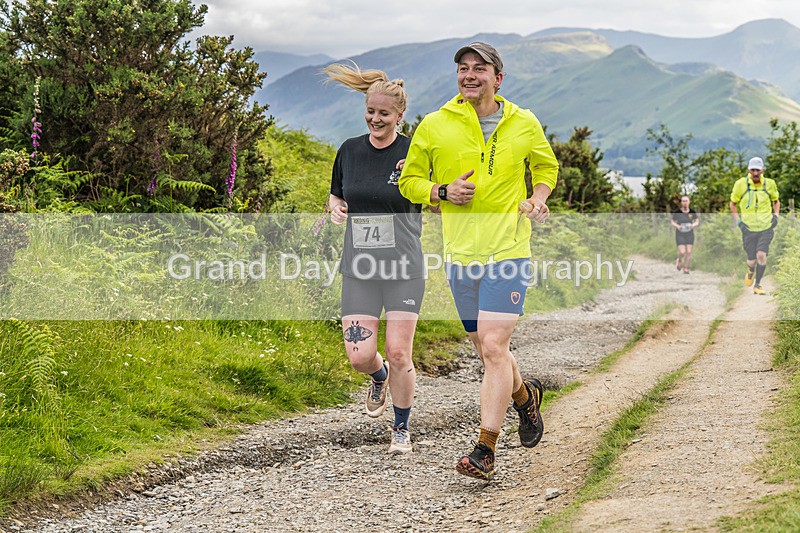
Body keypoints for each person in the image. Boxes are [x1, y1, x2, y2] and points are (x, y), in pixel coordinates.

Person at [398, 42, 559, 479]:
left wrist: (537, 197)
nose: (470, 75)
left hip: (508, 249)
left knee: (492, 346)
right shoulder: (434, 125)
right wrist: (442, 191)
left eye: (479, 69)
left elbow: (547, 168)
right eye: (463, 69)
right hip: (459, 255)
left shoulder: (523, 122)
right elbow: (409, 182)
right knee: (489, 350)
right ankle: (525, 399)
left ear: (497, 78)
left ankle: (485, 448)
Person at [325, 63, 424, 453]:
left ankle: (401, 428)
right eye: (370, 111)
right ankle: (378, 376)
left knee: (401, 352)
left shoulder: (414, 152)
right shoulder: (349, 150)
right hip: (360, 267)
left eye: (384, 113)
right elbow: (337, 194)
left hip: (404, 267)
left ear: (400, 116)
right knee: (359, 355)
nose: (375, 119)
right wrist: (335, 208)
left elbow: (433, 197)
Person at [729, 156, 780, 295]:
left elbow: (776, 201)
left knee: (761, 255)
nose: (755, 173)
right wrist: (739, 222)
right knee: (751, 260)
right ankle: (751, 271)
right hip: (748, 228)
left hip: (766, 227)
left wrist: (776, 216)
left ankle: (758, 285)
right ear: (748, 170)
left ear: (763, 170)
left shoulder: (770, 184)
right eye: (753, 170)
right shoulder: (740, 184)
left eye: (758, 170)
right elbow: (732, 204)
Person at [671, 195, 699, 274]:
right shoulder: (677, 212)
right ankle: (679, 260)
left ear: (689, 202)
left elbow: (697, 221)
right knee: (682, 252)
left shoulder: (692, 212)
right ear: (681, 203)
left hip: (689, 233)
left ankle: (686, 267)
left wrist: (693, 225)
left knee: (689, 251)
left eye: (686, 201)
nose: (685, 203)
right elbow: (672, 221)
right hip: (680, 234)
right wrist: (677, 226)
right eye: (683, 201)